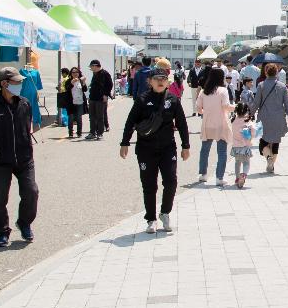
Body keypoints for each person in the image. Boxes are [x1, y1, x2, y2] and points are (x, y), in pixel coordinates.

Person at [120, 58, 190, 233]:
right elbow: (130, 122)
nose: (160, 82)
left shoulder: (173, 99)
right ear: (149, 82)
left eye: (163, 79)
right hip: (146, 149)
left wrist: (186, 146)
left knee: (171, 181)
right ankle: (151, 218)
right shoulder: (142, 100)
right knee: (149, 185)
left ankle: (165, 213)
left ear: (168, 82)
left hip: (168, 148)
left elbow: (181, 123)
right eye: (156, 79)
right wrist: (125, 143)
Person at [0, 67, 38, 247]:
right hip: (0, 161)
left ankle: (24, 223)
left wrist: (27, 149)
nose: (20, 85)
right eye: (16, 82)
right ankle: (2, 231)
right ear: (5, 83)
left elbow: (26, 128)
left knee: (31, 191)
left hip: (24, 158)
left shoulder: (25, 103)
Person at [250, 63, 288, 174]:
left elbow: (256, 103)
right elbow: (287, 104)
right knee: (275, 142)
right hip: (278, 118)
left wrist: (250, 114)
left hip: (264, 117)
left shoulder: (261, 85)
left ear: (265, 72)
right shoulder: (282, 86)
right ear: (277, 72)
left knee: (263, 142)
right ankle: (271, 166)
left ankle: (268, 157)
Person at [195, 67, 234, 185]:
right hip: (221, 124)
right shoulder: (223, 90)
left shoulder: (203, 91)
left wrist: (205, 112)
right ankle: (219, 178)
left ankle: (203, 174)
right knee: (221, 151)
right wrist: (235, 107)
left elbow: (198, 107)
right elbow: (226, 106)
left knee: (204, 150)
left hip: (207, 124)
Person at [229, 102, 255, 188]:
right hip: (245, 146)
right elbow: (253, 132)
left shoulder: (233, 121)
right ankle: (243, 175)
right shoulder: (248, 122)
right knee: (246, 162)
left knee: (237, 162)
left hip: (236, 147)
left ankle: (237, 178)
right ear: (246, 111)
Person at [88, 59, 113, 140]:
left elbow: (110, 85)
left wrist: (106, 94)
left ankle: (100, 133)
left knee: (100, 116)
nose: (91, 68)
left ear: (95, 66)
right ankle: (92, 132)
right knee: (92, 116)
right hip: (92, 97)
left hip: (100, 98)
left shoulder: (105, 73)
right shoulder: (94, 73)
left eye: (91, 66)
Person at [66, 66, 88, 138]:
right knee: (71, 118)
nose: (75, 74)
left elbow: (85, 90)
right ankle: (70, 133)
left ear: (79, 73)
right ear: (71, 73)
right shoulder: (68, 81)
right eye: (73, 72)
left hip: (80, 101)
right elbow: (67, 89)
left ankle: (79, 132)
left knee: (79, 118)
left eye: (76, 72)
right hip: (71, 102)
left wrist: (84, 82)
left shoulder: (81, 80)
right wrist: (72, 83)